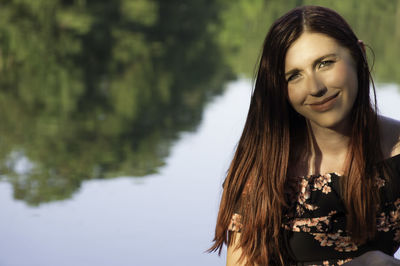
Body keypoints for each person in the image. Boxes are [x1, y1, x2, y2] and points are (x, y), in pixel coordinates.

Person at [209, 5, 400, 266]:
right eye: (294, 75)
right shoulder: (264, 164)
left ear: (358, 55)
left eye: (325, 63)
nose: (315, 88)